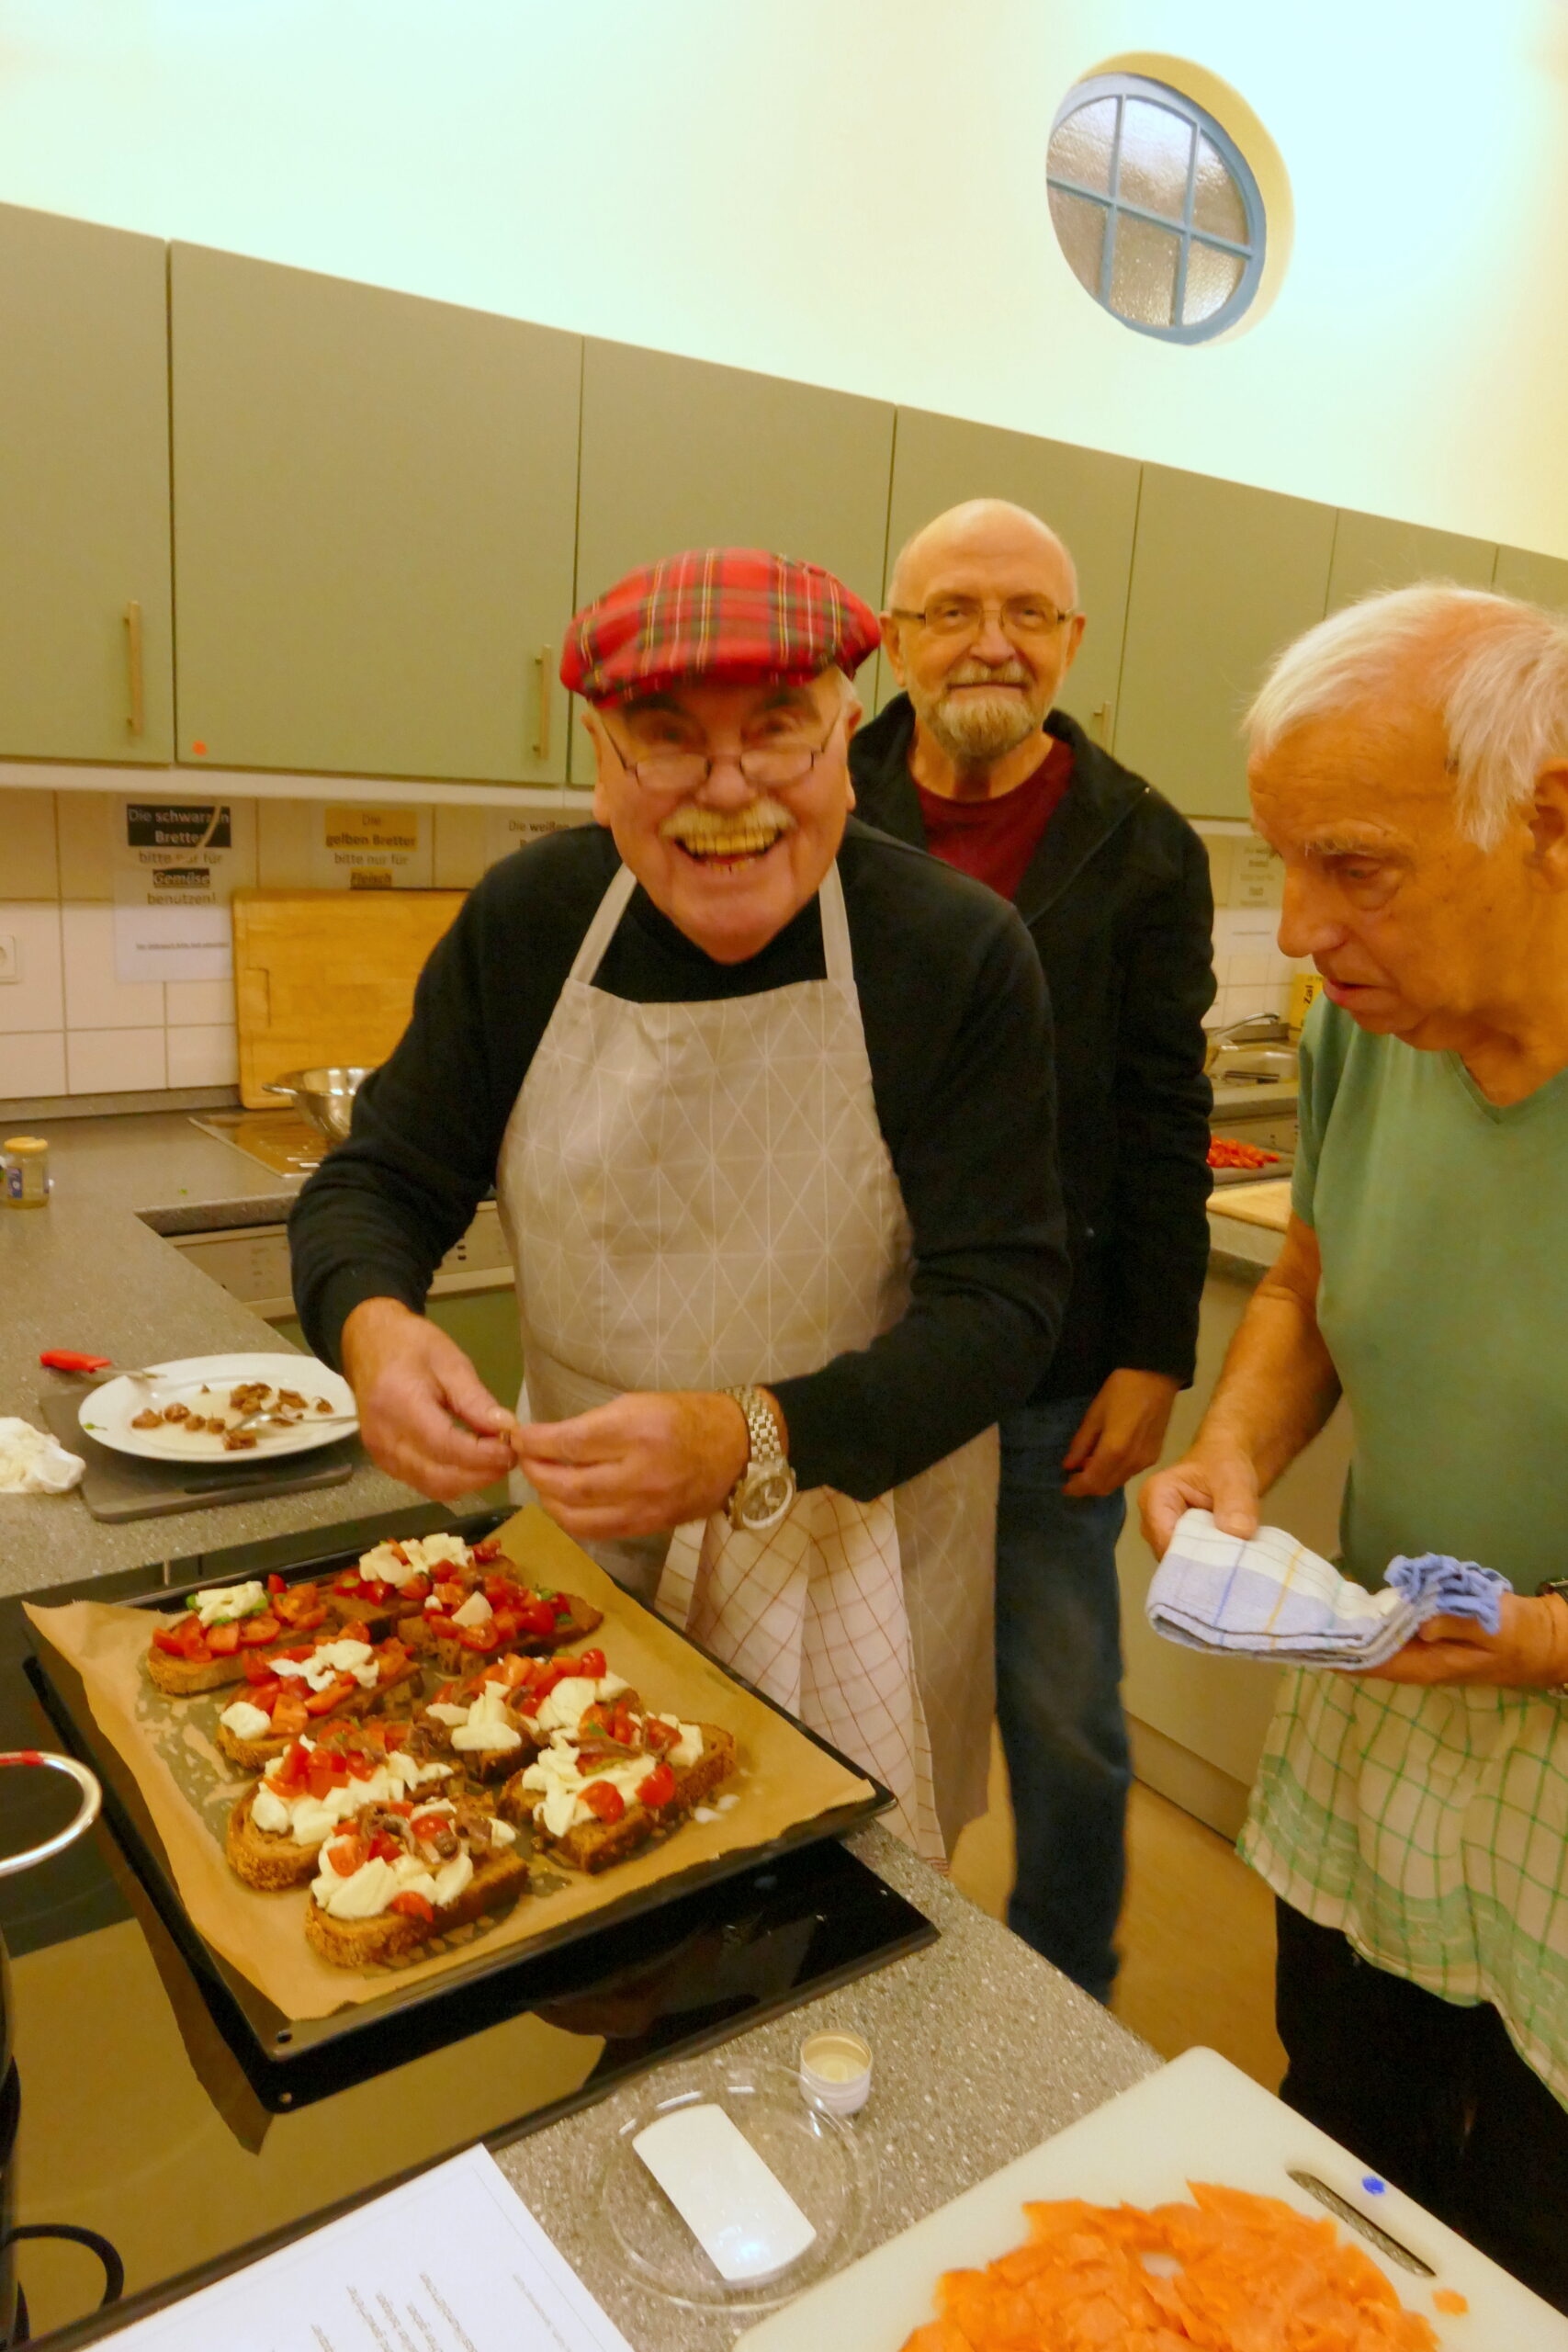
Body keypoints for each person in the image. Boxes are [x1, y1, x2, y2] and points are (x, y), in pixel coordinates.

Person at [289, 546, 1070, 1861]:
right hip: (582, 1553)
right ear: (602, 764)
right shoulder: (532, 921)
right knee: (571, 1887)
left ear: (844, 742)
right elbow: (380, 1179)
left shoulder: (953, 952)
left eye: (777, 731)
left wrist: (747, 1438)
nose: (727, 790)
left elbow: (1006, 1306)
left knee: (834, 1920)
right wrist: (372, 1325)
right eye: (667, 739)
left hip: (851, 1557)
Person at [1141, 583, 1568, 2311]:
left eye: (1357, 867)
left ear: (1552, 816)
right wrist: (1233, 1449)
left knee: (1535, 2234)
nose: (1303, 929)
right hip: (1393, 1710)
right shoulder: (1366, 1035)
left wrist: (1543, 1638)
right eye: (1283, 865)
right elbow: (1309, 1279)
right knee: (1349, 2136)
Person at [851, 499, 1213, 1998]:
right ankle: (845, 1980)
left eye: (1026, 613)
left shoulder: (1144, 846)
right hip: (842, 1357)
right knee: (840, 1702)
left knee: (1063, 1721)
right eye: (953, 609)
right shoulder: (816, 801)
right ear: (896, 638)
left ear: (1072, 641)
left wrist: (1156, 1350)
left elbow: (1164, 1113)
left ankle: (1069, 2003)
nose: (990, 642)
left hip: (1053, 1373)